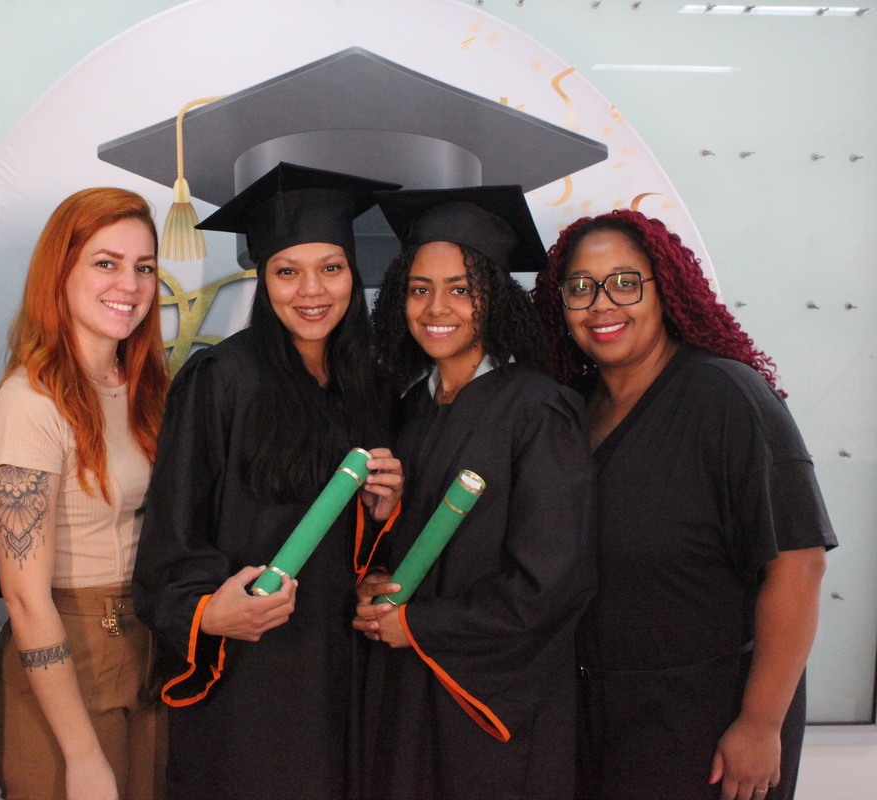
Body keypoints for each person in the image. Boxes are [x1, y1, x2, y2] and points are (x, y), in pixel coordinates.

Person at [531, 209, 837, 800]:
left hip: (707, 722)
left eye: (625, 282)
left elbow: (799, 566)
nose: (601, 304)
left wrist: (760, 724)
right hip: (599, 721)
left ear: (665, 290)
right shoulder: (573, 407)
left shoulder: (727, 397)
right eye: (581, 287)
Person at [131, 162, 404, 800]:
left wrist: (381, 512)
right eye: (287, 271)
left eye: (331, 268)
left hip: (348, 667)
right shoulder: (222, 379)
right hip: (253, 675)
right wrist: (207, 613)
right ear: (263, 277)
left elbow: (370, 556)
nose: (312, 290)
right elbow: (172, 538)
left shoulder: (371, 384)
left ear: (353, 273)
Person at [356, 187, 597, 800]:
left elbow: (550, 583)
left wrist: (420, 625)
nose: (436, 307)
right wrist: (374, 578)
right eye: (419, 289)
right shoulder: (408, 406)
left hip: (490, 706)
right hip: (406, 691)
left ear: (496, 298)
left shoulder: (539, 410)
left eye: (461, 289)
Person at [0, 188, 169, 800]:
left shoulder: (145, 388)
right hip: (65, 668)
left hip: (148, 652)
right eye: (106, 262)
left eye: (144, 267)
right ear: (59, 272)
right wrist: (82, 756)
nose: (129, 284)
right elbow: (24, 598)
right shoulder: (28, 405)